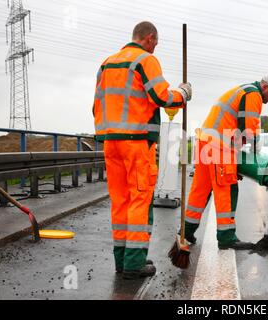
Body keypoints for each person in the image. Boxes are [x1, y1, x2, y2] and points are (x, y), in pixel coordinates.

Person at [93, 21, 192, 279]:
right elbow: (161, 96)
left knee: (120, 200)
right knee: (139, 199)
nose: (155, 49)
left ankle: (122, 259)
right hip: (136, 143)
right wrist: (183, 94)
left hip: (110, 143)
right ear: (149, 39)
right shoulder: (145, 60)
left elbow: (96, 106)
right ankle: (134, 263)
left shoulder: (107, 63)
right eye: (155, 44)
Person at [184, 75, 268, 250]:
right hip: (220, 147)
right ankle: (226, 237)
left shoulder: (243, 90)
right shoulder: (253, 95)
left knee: (200, 190)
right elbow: (248, 130)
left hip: (205, 143)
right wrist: (256, 156)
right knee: (227, 188)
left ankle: (186, 230)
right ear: (266, 87)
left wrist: (236, 159)